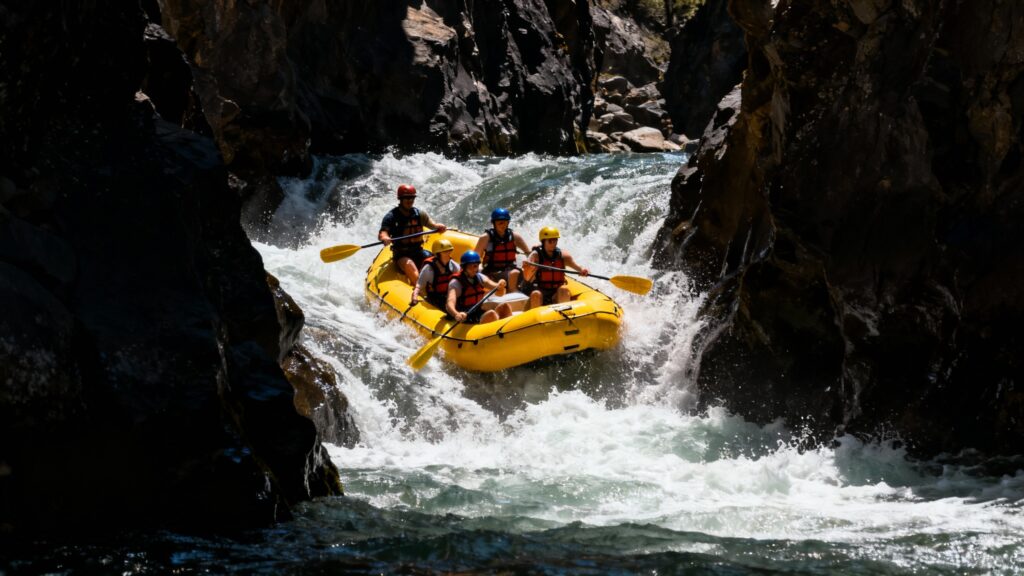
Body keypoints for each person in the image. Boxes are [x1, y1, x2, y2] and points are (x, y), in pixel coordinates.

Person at [378, 184, 447, 284]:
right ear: (400, 199)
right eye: (406, 198)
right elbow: (383, 233)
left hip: (418, 251)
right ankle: (421, 291)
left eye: (412, 198)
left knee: (436, 262)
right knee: (409, 264)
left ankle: (440, 286)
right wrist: (385, 237)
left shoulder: (419, 214)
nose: (410, 200)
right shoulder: (391, 217)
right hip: (401, 255)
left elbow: (432, 225)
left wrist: (438, 226)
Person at [521, 226, 589, 309]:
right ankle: (537, 319)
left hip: (556, 294)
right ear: (543, 241)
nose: (553, 243)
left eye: (555, 240)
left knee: (564, 290)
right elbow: (527, 278)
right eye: (550, 241)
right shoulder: (535, 256)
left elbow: (578, 268)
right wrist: (528, 268)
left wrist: (583, 271)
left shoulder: (563, 255)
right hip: (541, 292)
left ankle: (565, 315)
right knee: (536, 294)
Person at [446, 251, 512, 324]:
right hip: (464, 315)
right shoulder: (456, 282)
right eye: (473, 266)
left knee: (505, 307)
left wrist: (500, 285)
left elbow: (495, 287)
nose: (476, 269)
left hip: (476, 312)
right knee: (491, 314)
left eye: (477, 266)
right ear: (464, 267)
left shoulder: (479, 277)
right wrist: (456, 314)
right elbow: (450, 303)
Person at [473, 207, 530, 292]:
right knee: (514, 273)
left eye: (506, 222)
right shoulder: (485, 238)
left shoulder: (515, 236)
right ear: (494, 223)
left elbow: (529, 254)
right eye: (500, 223)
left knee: (516, 272)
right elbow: (474, 259)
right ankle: (512, 292)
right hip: (491, 271)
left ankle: (514, 292)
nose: (503, 225)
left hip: (510, 270)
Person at [411, 239, 460, 309]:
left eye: (450, 250)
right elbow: (419, 286)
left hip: (449, 296)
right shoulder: (429, 268)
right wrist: (414, 296)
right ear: (438, 253)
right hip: (435, 298)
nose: (448, 253)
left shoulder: (453, 265)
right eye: (445, 252)